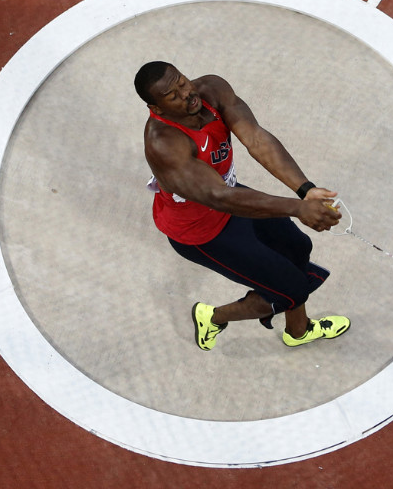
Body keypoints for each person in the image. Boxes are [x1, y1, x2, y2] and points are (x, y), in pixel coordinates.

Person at [135, 60, 350, 350]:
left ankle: (297, 331)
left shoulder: (212, 89)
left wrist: (305, 191)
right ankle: (211, 316)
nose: (186, 93)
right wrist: (297, 209)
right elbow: (218, 197)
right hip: (200, 231)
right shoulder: (164, 143)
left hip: (231, 197)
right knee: (290, 291)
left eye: (182, 82)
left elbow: (257, 139)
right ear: (156, 108)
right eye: (173, 96)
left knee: (297, 247)